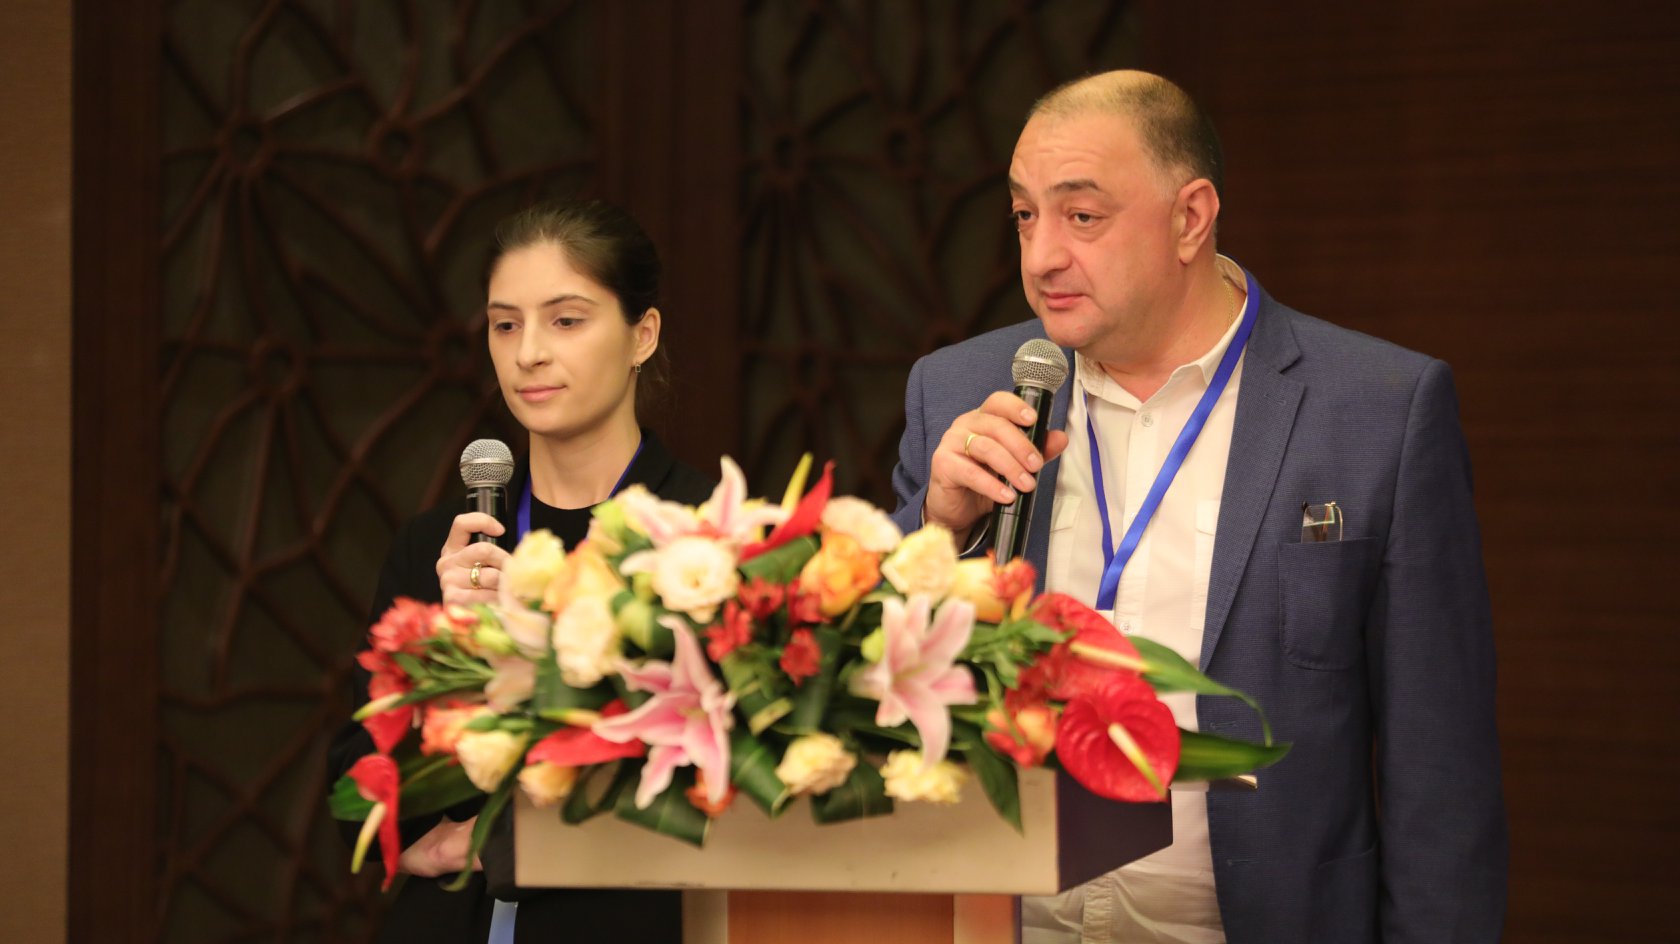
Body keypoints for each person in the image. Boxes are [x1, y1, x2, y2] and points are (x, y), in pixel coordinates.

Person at [888, 71, 1506, 942]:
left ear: (1190, 218)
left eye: (1082, 216)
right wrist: (939, 533)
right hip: (1003, 922)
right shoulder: (961, 391)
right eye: (1025, 214)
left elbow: (1440, 772)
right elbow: (861, 697)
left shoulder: (1377, 412)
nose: (1041, 256)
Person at [327, 199, 714, 942]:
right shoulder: (440, 546)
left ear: (642, 335)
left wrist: (500, 842)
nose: (528, 353)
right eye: (506, 325)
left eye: (565, 321)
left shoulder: (705, 538)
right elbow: (359, 803)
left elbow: (710, 791)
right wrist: (450, 654)